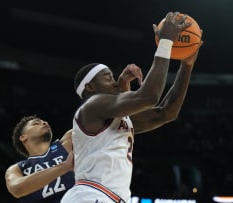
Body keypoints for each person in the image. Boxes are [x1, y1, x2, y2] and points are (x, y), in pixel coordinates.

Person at [61, 11, 203, 203]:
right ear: (90, 87)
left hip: (111, 197)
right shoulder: (92, 106)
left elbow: (165, 113)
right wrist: (166, 43)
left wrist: (186, 65)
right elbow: (149, 97)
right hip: (91, 195)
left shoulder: (113, 120)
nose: (114, 83)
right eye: (108, 77)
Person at [5, 115, 74, 203]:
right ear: (23, 137)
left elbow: (91, 123)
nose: (45, 123)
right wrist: (65, 166)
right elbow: (17, 188)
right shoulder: (17, 168)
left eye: (44, 122)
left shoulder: (67, 142)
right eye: (36, 123)